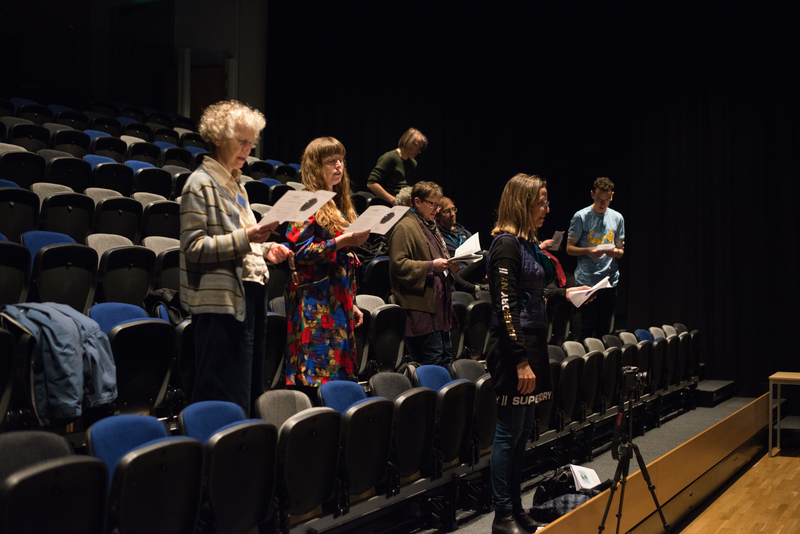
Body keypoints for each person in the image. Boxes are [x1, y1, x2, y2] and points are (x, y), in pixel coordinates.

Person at [486, 174, 587, 534]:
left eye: (546, 201)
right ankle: (502, 515)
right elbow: (505, 307)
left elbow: (534, 294)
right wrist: (520, 359)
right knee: (507, 432)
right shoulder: (505, 244)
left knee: (523, 431)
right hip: (513, 347)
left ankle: (515, 507)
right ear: (522, 203)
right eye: (540, 201)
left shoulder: (527, 244)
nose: (546, 208)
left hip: (533, 341)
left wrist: (565, 294)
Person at [180, 100, 292, 417]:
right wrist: (248, 238)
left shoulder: (237, 186)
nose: (248, 149)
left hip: (249, 296)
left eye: (251, 142)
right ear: (217, 137)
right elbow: (194, 248)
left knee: (250, 391)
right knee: (223, 397)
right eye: (241, 141)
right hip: (221, 306)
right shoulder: (199, 184)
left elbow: (243, 241)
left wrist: (266, 250)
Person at [284, 137, 370, 398]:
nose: (339, 166)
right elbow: (299, 251)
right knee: (316, 376)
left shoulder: (337, 203)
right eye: (331, 161)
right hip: (313, 302)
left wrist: (351, 301)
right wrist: (342, 241)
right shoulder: (305, 201)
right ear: (315, 167)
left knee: (337, 380)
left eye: (341, 160)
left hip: (337, 299)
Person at [387, 181, 457, 371]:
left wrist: (450, 264)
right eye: (432, 204)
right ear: (417, 202)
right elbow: (398, 265)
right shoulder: (405, 227)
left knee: (446, 356)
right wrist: (431, 266)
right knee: (434, 359)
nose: (437, 209)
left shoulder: (431, 226)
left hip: (440, 305)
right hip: (423, 306)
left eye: (438, 205)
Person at [566, 176, 626, 341]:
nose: (602, 204)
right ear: (592, 194)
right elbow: (569, 248)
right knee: (585, 328)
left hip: (609, 279)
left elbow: (621, 250)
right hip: (587, 280)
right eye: (599, 199)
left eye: (607, 200)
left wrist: (616, 252)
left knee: (603, 329)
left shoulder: (617, 218)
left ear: (611, 196)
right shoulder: (581, 216)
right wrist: (588, 250)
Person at [367, 128, 428, 206]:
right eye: (418, 147)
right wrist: (393, 201)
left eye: (420, 148)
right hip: (388, 204)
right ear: (407, 142)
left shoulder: (413, 163)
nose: (419, 151)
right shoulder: (389, 158)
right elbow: (372, 183)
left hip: (404, 204)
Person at [436, 196, 484, 294]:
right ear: (438, 216)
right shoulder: (437, 235)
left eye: (453, 209)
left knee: (487, 256)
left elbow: (479, 255)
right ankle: (475, 288)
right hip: (456, 275)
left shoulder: (464, 233)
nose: (452, 214)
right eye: (447, 211)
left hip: (471, 271)